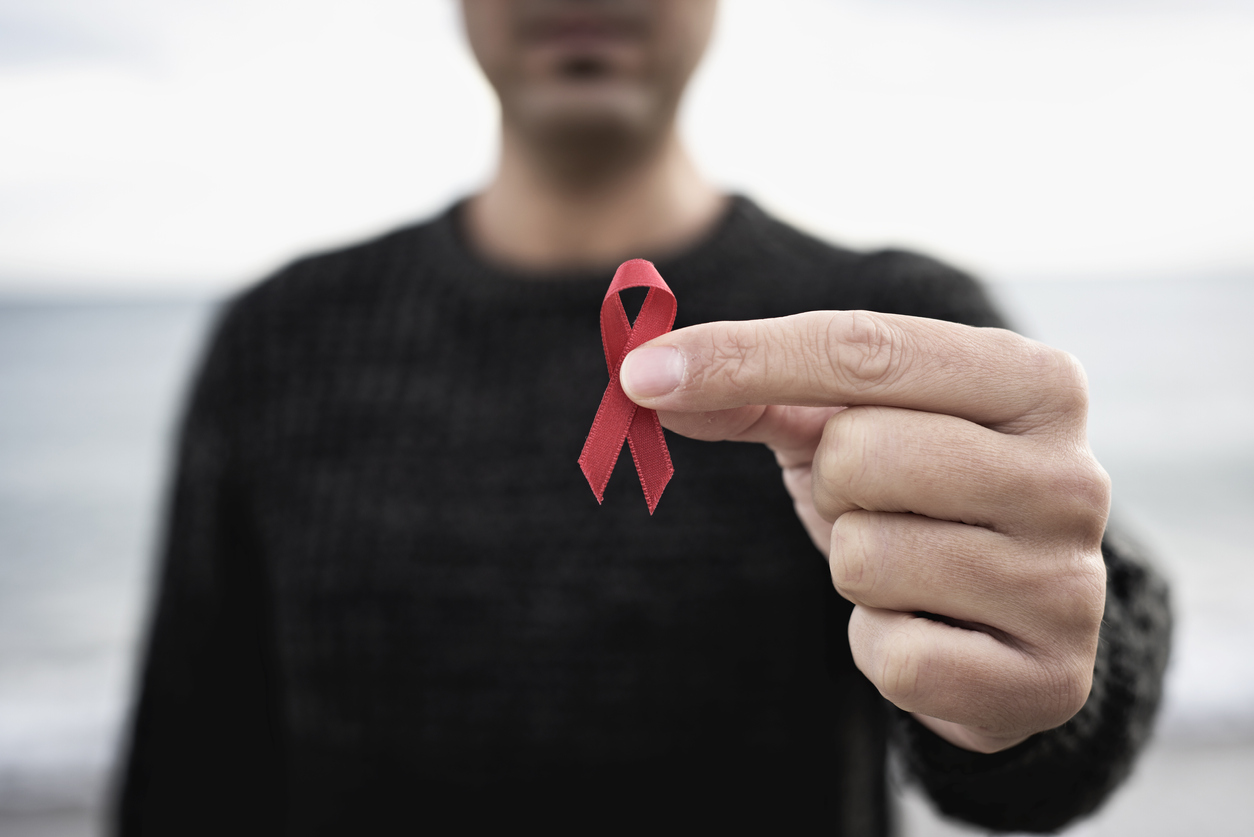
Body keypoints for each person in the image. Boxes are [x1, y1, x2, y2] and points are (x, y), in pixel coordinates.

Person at [113, 1, 1170, 834]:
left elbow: (1064, 705)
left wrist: (1035, 677)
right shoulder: (284, 339)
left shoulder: (889, 330)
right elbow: (190, 771)